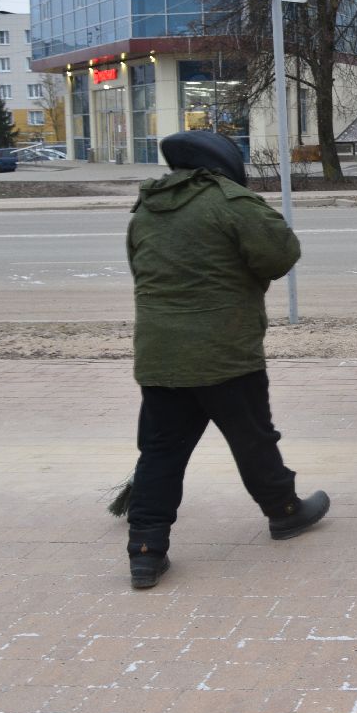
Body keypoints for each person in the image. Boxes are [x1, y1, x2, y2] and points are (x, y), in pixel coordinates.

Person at [123, 131, 330, 589]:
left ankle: (146, 549)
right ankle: (284, 510)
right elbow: (281, 254)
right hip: (225, 351)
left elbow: (141, 269)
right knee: (253, 438)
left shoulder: (147, 207)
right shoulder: (229, 201)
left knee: (161, 450)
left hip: (160, 353)